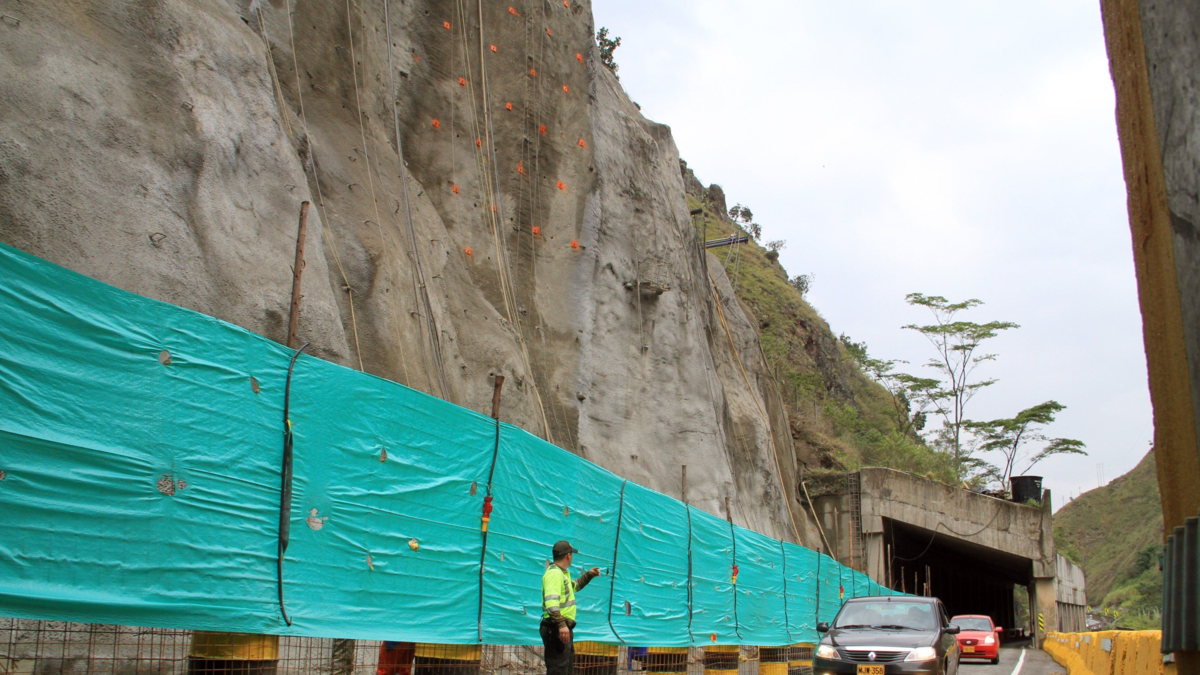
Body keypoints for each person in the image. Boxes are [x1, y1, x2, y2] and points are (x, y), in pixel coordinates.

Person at [541, 541, 600, 675]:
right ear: (568, 555)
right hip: (556, 629)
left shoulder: (561, 573)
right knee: (558, 670)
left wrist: (589, 575)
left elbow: (574, 586)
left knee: (566, 669)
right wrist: (561, 625)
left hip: (560, 628)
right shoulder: (554, 574)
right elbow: (551, 603)